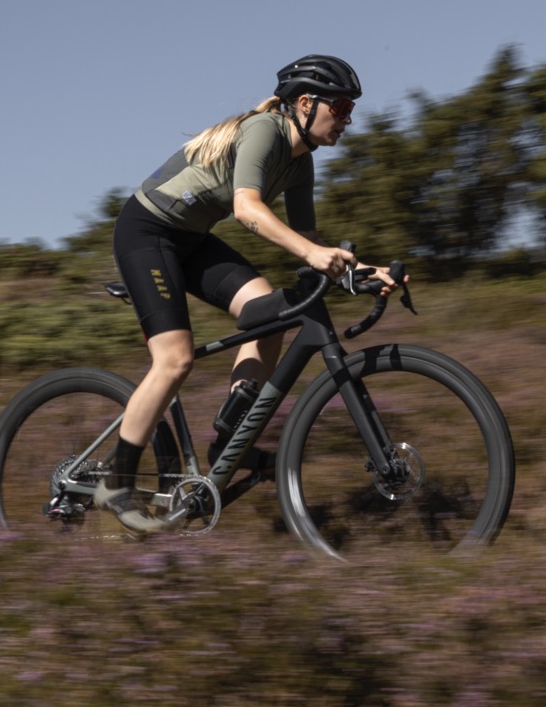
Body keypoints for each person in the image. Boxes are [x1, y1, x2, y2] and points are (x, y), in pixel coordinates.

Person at [97, 54, 402, 535]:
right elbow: (246, 208)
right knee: (175, 360)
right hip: (147, 233)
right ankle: (115, 483)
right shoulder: (266, 129)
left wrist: (364, 271)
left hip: (193, 240)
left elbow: (310, 243)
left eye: (350, 110)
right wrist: (315, 253)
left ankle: (227, 443)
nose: (348, 119)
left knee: (273, 313)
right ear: (305, 103)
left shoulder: (301, 163)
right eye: (341, 107)